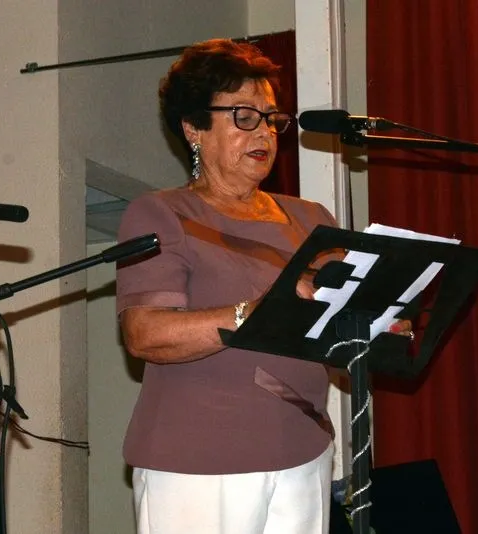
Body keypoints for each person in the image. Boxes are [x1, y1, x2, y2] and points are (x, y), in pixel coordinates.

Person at [114, 38, 410, 534]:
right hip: (197, 462)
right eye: (243, 116)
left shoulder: (311, 219)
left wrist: (375, 325)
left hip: (305, 452)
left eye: (271, 118)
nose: (265, 132)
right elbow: (145, 334)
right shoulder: (163, 213)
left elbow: (333, 337)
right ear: (194, 129)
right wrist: (254, 312)